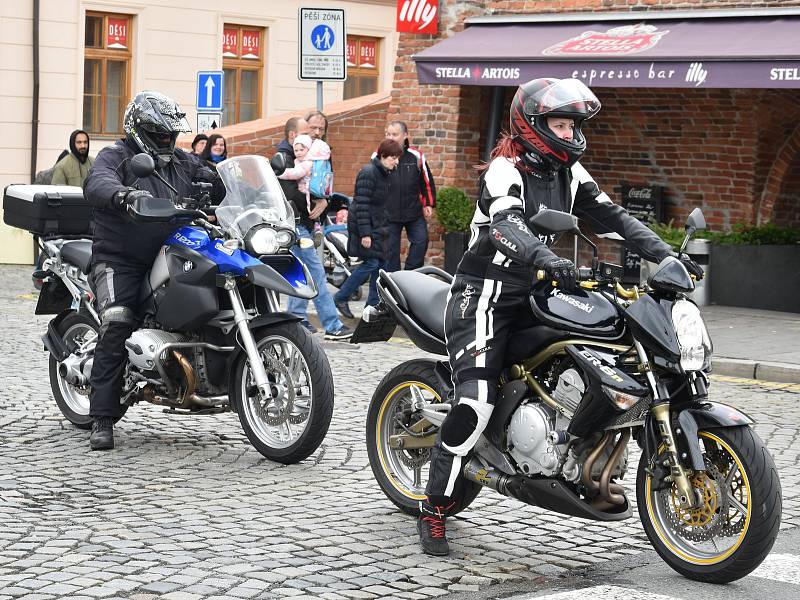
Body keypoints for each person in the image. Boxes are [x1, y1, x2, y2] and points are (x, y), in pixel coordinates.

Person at [416, 77, 705, 556]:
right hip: (485, 294)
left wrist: (668, 255)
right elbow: (506, 225)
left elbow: (616, 218)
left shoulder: (571, 172)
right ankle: (434, 510)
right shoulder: (503, 170)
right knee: (477, 402)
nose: (569, 133)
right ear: (531, 124)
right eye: (560, 123)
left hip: (540, 285)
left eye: (573, 124)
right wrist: (547, 259)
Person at [82, 91, 222, 451]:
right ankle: (102, 416)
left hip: (170, 250)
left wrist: (221, 184)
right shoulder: (117, 156)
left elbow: (213, 180)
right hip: (120, 257)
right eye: (159, 134)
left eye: (170, 135)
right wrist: (124, 196)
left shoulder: (182, 160)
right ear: (139, 129)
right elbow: (96, 182)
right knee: (117, 320)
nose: (166, 141)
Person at [273, 117, 353, 340]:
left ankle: (297, 318)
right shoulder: (286, 158)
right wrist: (314, 201)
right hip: (298, 224)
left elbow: (322, 182)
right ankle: (332, 324)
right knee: (315, 272)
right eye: (306, 132)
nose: (312, 135)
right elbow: (289, 192)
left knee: (302, 271)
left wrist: (323, 199)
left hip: (302, 224)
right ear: (293, 136)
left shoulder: (306, 155)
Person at [333, 139, 403, 317]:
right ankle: (341, 296)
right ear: (382, 156)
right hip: (366, 227)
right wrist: (365, 234)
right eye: (393, 158)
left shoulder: (386, 173)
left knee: (379, 266)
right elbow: (362, 204)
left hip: (379, 226)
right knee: (371, 263)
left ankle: (370, 308)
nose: (396, 162)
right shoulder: (369, 172)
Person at [383, 121, 436, 271]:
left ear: (405, 135)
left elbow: (426, 181)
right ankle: (393, 284)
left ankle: (410, 274)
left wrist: (428, 204)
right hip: (389, 212)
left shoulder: (416, 156)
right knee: (391, 251)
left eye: (395, 134)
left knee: (421, 241)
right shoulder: (379, 155)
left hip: (414, 210)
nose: (391, 137)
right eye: (388, 134)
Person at [277, 134, 328, 247]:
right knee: (315, 215)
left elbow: (294, 174)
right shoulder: (303, 161)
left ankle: (317, 231)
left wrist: (280, 173)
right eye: (296, 150)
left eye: (302, 149)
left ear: (309, 150)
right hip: (309, 191)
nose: (299, 152)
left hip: (306, 191)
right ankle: (317, 230)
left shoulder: (307, 163)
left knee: (312, 212)